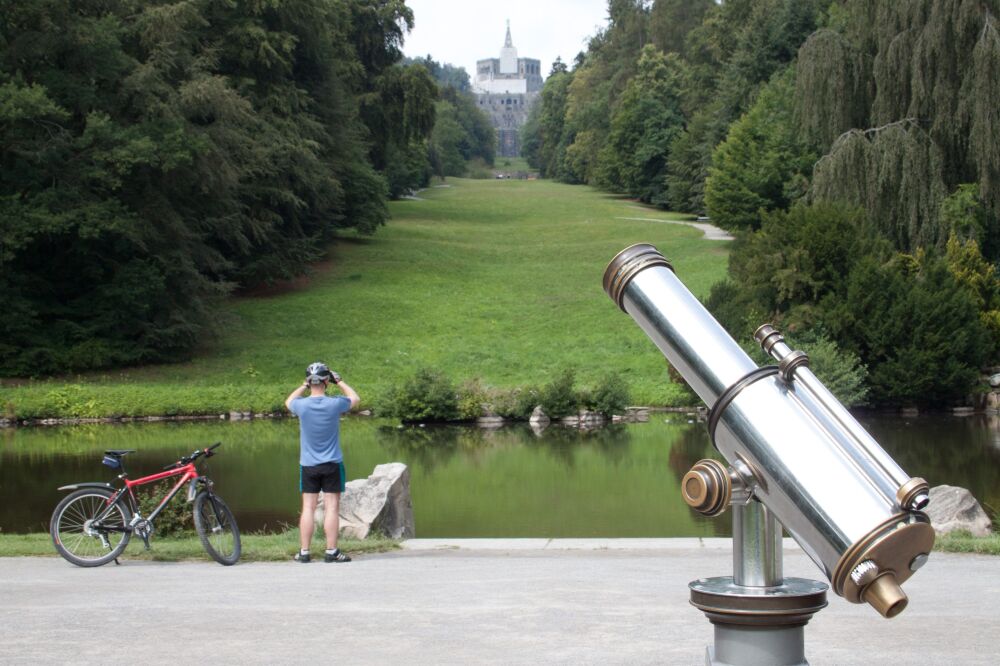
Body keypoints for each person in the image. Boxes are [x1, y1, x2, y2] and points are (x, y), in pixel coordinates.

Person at [284, 361, 360, 563]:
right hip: (332, 464)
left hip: (308, 465)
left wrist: (303, 385)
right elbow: (355, 398)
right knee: (332, 508)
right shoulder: (335, 403)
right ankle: (331, 551)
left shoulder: (300, 406)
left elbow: (288, 401)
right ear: (327, 381)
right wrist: (340, 381)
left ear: (310, 382)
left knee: (308, 508)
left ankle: (304, 552)